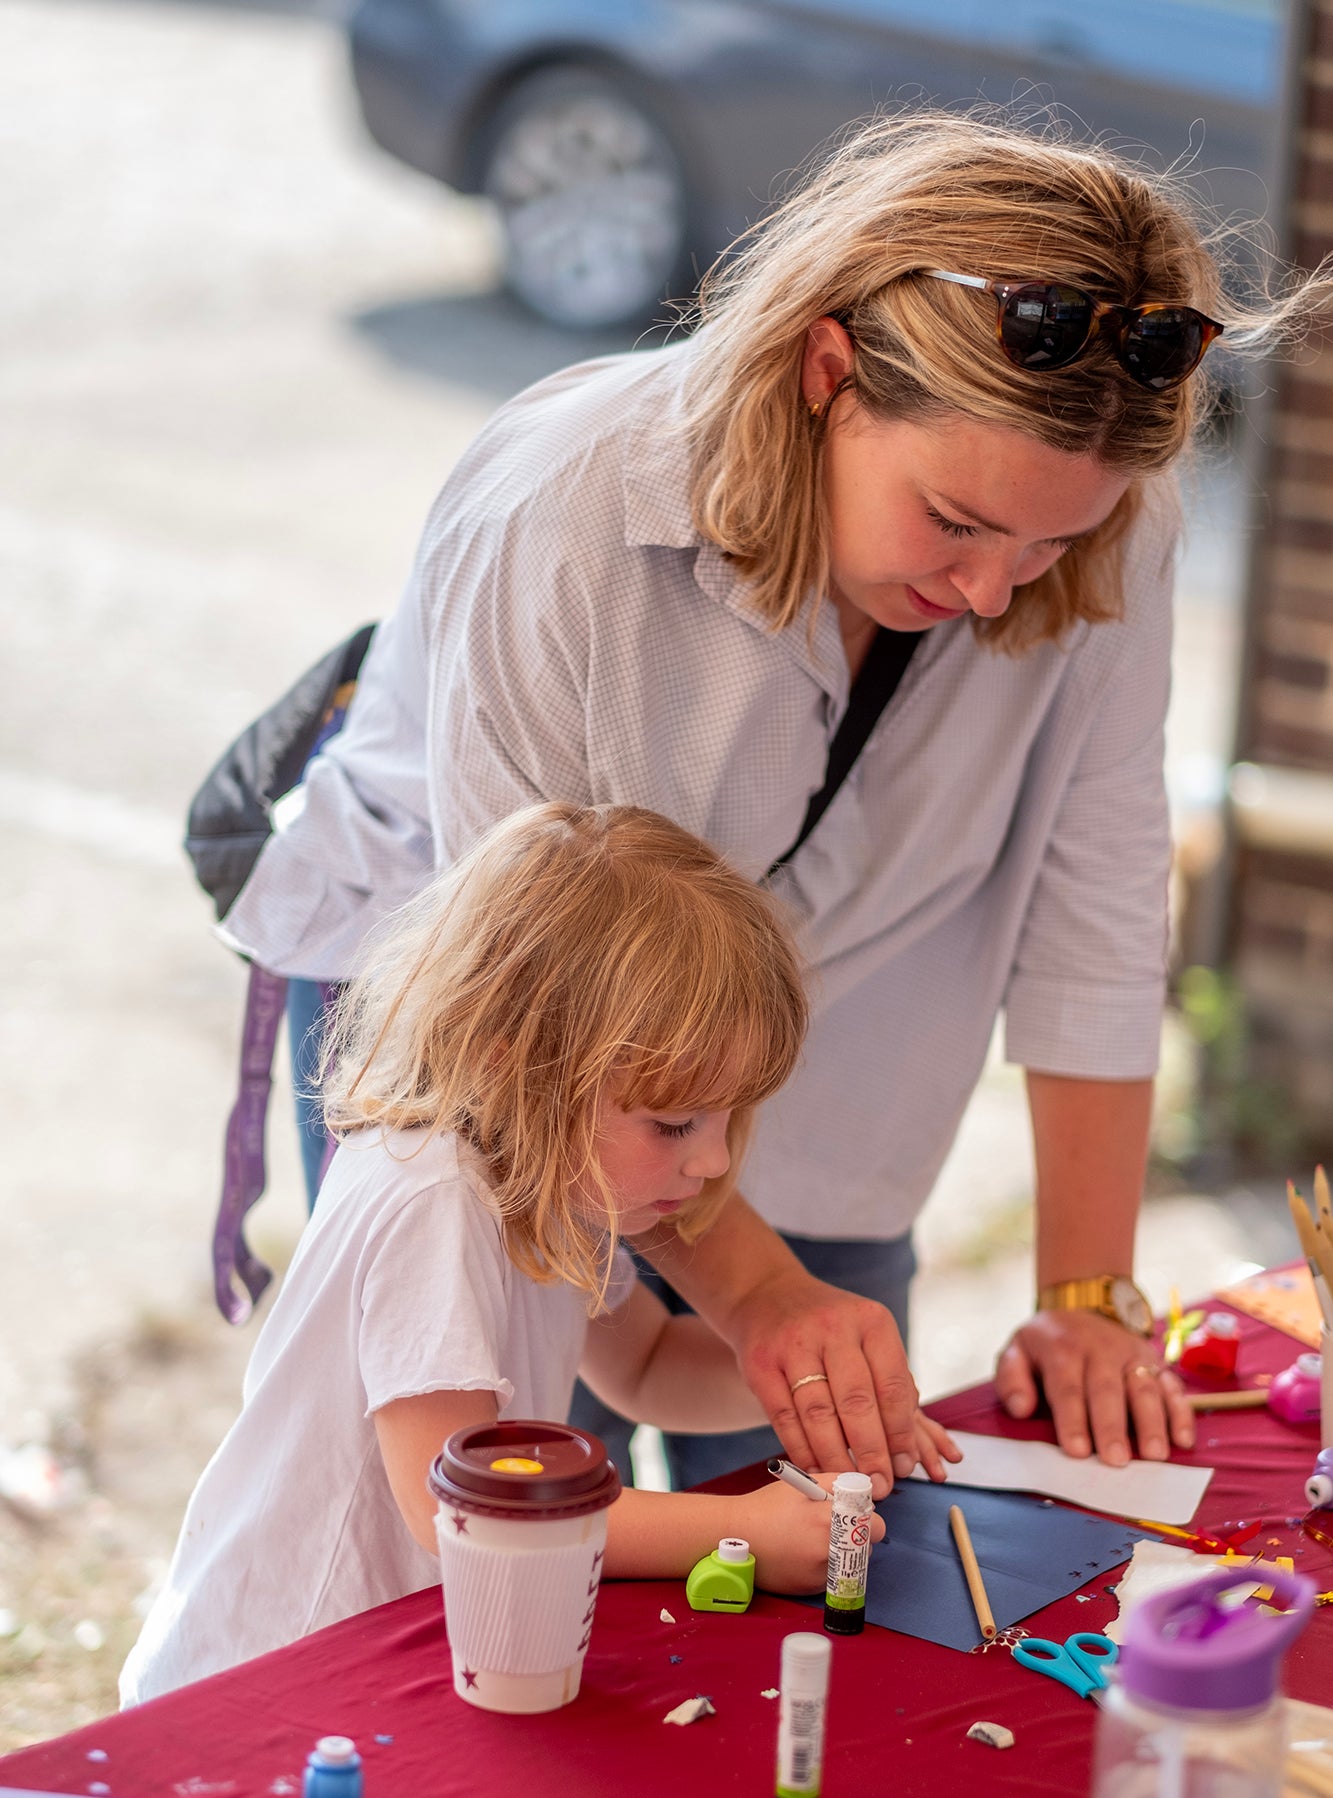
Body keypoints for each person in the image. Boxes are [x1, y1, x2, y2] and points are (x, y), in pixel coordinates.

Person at [219, 108, 1324, 1491]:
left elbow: (1095, 885)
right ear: (825, 370)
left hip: (846, 1048)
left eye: (1052, 544)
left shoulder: (1100, 507)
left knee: (836, 1523)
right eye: (955, 524)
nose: (994, 592)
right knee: (523, 1515)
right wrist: (754, 1292)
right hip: (516, 1044)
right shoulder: (557, 507)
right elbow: (546, 999)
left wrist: (1087, 1294)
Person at [123, 805, 958, 1703]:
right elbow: (463, 1507)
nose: (713, 1161)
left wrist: (816, 1391)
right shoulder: (431, 1196)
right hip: (269, 1674)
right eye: (674, 1122)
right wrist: (742, 1532)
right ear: (515, 1062)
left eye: (725, 1119)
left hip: (382, 1655)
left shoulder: (547, 1175)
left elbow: (639, 1365)